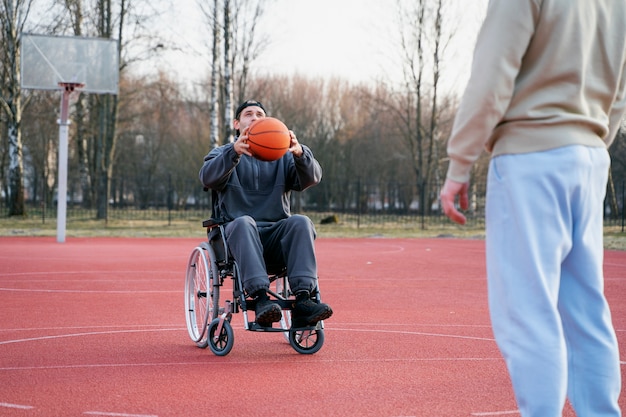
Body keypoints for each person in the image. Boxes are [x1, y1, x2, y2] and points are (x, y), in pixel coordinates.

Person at [440, 1, 624, 416]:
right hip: (591, 154)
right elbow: (620, 91)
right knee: (586, 310)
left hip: (530, 154)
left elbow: (492, 74)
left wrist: (460, 162)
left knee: (527, 310)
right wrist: (591, 140)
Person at [199, 100, 333, 328]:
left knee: (301, 222)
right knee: (244, 222)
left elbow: (312, 178)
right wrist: (233, 153)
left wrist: (301, 154)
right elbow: (207, 178)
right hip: (235, 236)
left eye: (260, 114)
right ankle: (261, 299)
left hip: (274, 237)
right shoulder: (222, 153)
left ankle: (303, 301)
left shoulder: (284, 157)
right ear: (237, 124)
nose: (254, 117)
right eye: (248, 114)